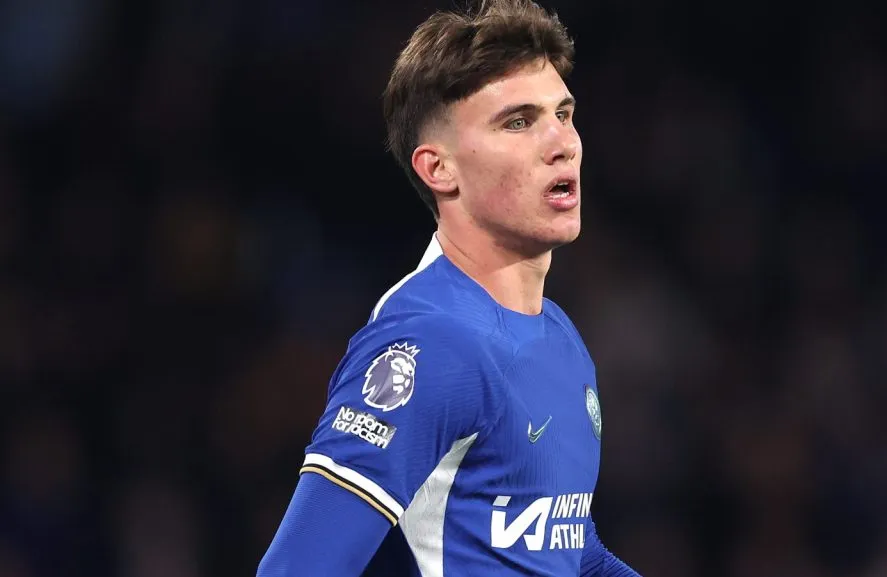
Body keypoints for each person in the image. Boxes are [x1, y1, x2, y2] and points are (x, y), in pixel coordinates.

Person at [257, 0, 641, 575]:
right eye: (518, 122)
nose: (562, 142)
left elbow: (567, 551)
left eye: (563, 113)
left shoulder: (560, 336)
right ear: (439, 169)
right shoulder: (431, 343)